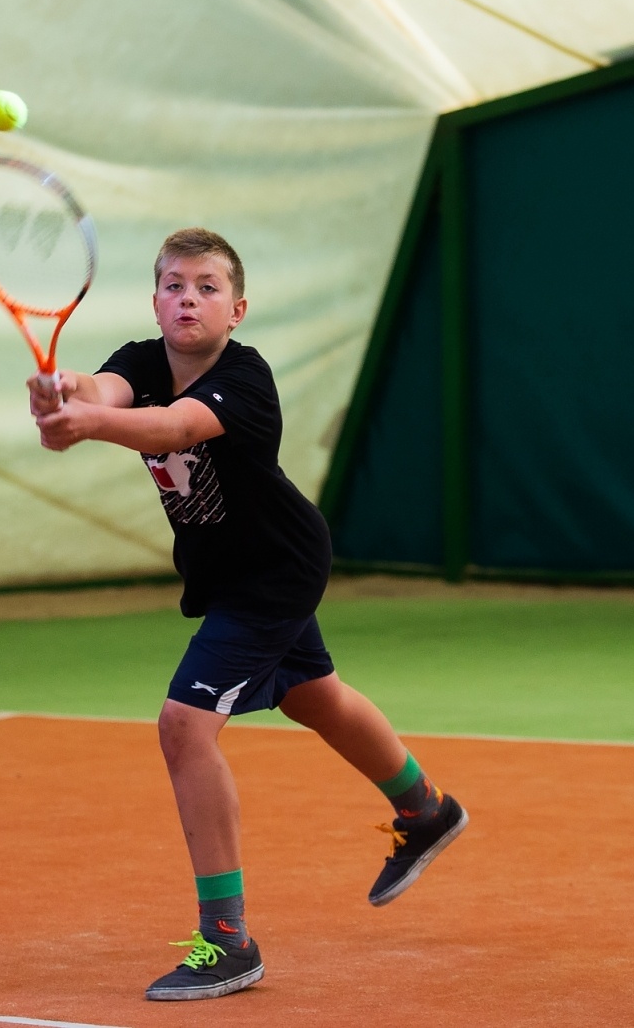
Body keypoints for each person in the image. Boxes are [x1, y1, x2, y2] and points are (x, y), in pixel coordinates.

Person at [30, 227, 465, 1002]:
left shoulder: (245, 378)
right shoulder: (139, 359)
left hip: (277, 570)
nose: (186, 297)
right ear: (155, 299)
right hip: (227, 573)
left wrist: (88, 424)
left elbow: (173, 427)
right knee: (314, 694)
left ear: (237, 307)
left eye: (204, 286)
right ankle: (425, 809)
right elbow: (105, 391)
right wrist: (67, 394)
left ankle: (228, 940)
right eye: (172, 284)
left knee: (183, 724)